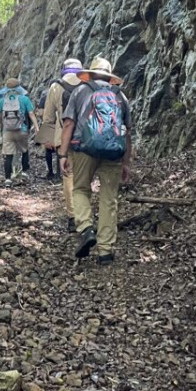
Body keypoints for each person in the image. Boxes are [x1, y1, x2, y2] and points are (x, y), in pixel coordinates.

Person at [59, 58, 133, 264]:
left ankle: (85, 228)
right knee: (109, 198)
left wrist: (63, 154)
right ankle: (105, 251)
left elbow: (68, 125)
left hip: (84, 150)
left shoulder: (80, 91)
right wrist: (126, 161)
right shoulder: (120, 96)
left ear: (90, 74)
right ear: (109, 76)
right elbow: (127, 133)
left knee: (81, 189)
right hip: (114, 153)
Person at [38, 58, 85, 224]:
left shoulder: (55, 86)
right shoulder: (87, 83)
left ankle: (73, 217)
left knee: (68, 177)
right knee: (84, 177)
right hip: (86, 138)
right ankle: (86, 216)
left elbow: (48, 117)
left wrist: (45, 140)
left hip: (63, 138)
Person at [0, 76, 37, 184]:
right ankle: (24, 172)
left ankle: (8, 179)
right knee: (24, 150)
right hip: (22, 130)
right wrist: (36, 126)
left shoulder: (2, 100)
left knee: (8, 155)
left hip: (7, 131)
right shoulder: (24, 99)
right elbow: (31, 114)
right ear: (19, 88)